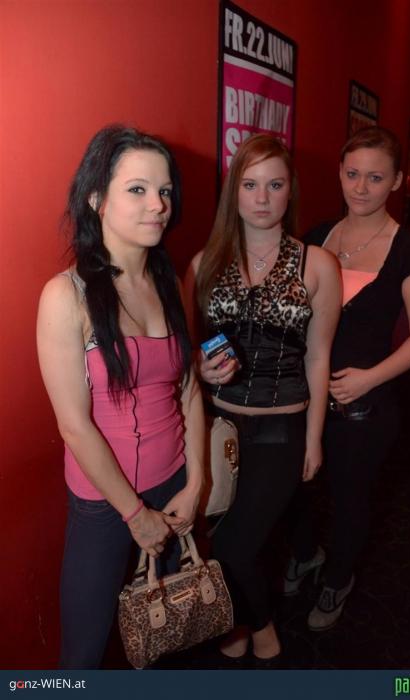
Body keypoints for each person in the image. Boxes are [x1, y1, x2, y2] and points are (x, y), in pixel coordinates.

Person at [36, 125, 204, 669]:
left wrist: (196, 483)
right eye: (137, 189)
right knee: (83, 657)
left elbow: (188, 388)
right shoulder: (65, 296)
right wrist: (135, 515)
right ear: (96, 199)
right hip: (107, 505)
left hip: (174, 486)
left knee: (170, 638)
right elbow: (73, 425)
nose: (158, 205)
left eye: (165, 190)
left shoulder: (169, 281)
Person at [184, 134, 341, 665]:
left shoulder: (317, 263)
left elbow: (318, 357)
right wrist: (201, 367)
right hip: (218, 426)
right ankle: (248, 622)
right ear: (234, 191)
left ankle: (260, 626)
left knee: (236, 545)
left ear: (290, 189)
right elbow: (186, 352)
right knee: (221, 540)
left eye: (275, 185)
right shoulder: (204, 262)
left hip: (281, 428)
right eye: (250, 185)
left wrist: (314, 438)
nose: (262, 197)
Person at [286, 126, 410, 631]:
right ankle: (305, 554)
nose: (361, 187)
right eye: (352, 174)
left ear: (396, 181)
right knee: (297, 487)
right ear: (339, 173)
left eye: (375, 177)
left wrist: (370, 378)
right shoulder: (315, 237)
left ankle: (339, 578)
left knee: (351, 496)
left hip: (365, 403)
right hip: (303, 395)